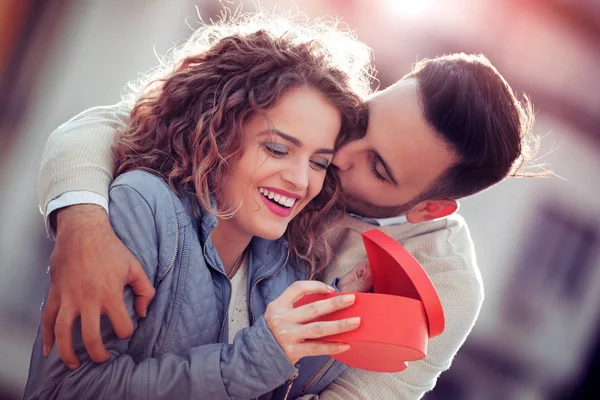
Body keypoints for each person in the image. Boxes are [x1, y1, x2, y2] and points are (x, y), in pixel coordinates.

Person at [33, 28, 541, 400]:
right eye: (363, 122)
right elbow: (126, 124)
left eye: (378, 168)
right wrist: (83, 222)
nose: (338, 157)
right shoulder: (299, 136)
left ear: (428, 207)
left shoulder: (444, 283)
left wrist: (282, 347)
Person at [24, 14, 376, 400]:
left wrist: (336, 312)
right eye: (277, 149)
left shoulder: (288, 260)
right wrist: (251, 361)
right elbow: (65, 390)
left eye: (319, 162)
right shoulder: (142, 208)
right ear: (216, 131)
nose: (301, 180)